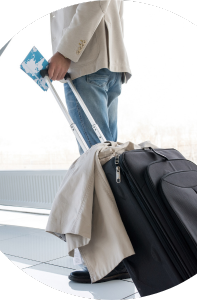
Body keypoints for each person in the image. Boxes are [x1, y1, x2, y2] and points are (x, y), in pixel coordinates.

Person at [48, 0, 132, 283]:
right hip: (108, 62)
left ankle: (110, 260)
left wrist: (65, 51)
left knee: (95, 167)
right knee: (109, 164)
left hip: (85, 63)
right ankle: (122, 253)